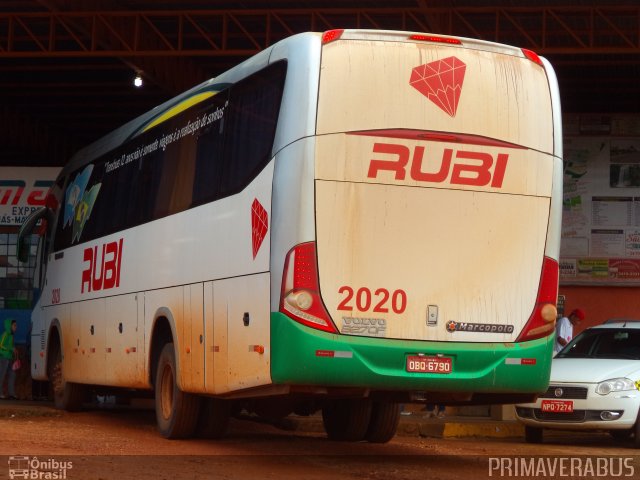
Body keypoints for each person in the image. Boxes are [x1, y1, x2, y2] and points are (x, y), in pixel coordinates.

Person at [0, 319, 18, 400]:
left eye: (16, 325)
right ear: (9, 326)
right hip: (3, 357)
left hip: (10, 358)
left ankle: (11, 394)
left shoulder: (11, 335)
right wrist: (11, 349)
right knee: (2, 376)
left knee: (12, 375)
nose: (16, 327)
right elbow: (0, 345)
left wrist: (13, 350)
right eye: (14, 325)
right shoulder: (5, 334)